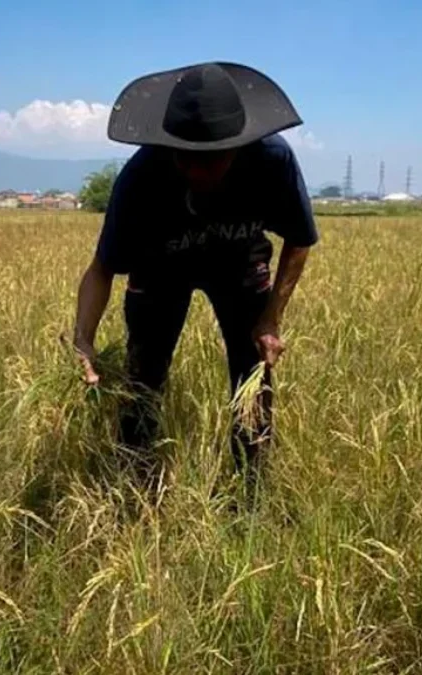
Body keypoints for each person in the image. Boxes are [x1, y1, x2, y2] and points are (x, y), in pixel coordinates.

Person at [71, 61, 319, 494]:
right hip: (161, 265)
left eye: (213, 161)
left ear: (238, 144)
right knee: (142, 375)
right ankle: (135, 488)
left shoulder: (271, 159)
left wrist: (272, 319)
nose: (199, 172)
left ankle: (250, 492)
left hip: (239, 263)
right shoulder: (141, 175)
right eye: (187, 160)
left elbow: (300, 239)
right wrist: (83, 340)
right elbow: (103, 267)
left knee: (254, 376)